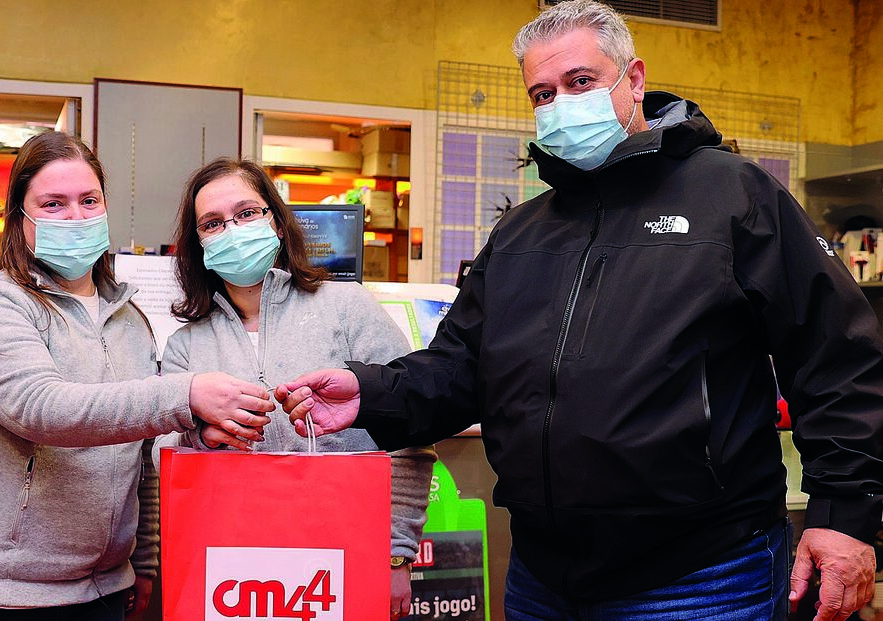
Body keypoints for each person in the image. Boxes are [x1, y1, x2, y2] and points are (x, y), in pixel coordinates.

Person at [275, 2, 883, 620]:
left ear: (634, 79)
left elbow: (836, 357)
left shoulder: (734, 196)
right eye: (541, 93)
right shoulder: (520, 232)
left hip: (699, 577)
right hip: (543, 578)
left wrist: (844, 513)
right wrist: (370, 393)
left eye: (580, 82)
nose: (560, 104)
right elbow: (461, 369)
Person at [0, 132, 272, 619]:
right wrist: (186, 393)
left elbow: (140, 455)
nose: (76, 217)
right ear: (20, 219)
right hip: (3, 592)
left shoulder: (130, 321)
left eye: (89, 200)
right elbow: (41, 409)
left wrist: (143, 559)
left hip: (104, 588)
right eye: (53, 204)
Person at [151, 157, 435, 620]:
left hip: (344, 552)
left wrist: (396, 553)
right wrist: (201, 437)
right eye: (213, 223)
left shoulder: (348, 309)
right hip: (233, 564)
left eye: (247, 213)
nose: (234, 229)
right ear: (198, 244)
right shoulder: (186, 345)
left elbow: (411, 431)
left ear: (277, 223)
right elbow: (162, 458)